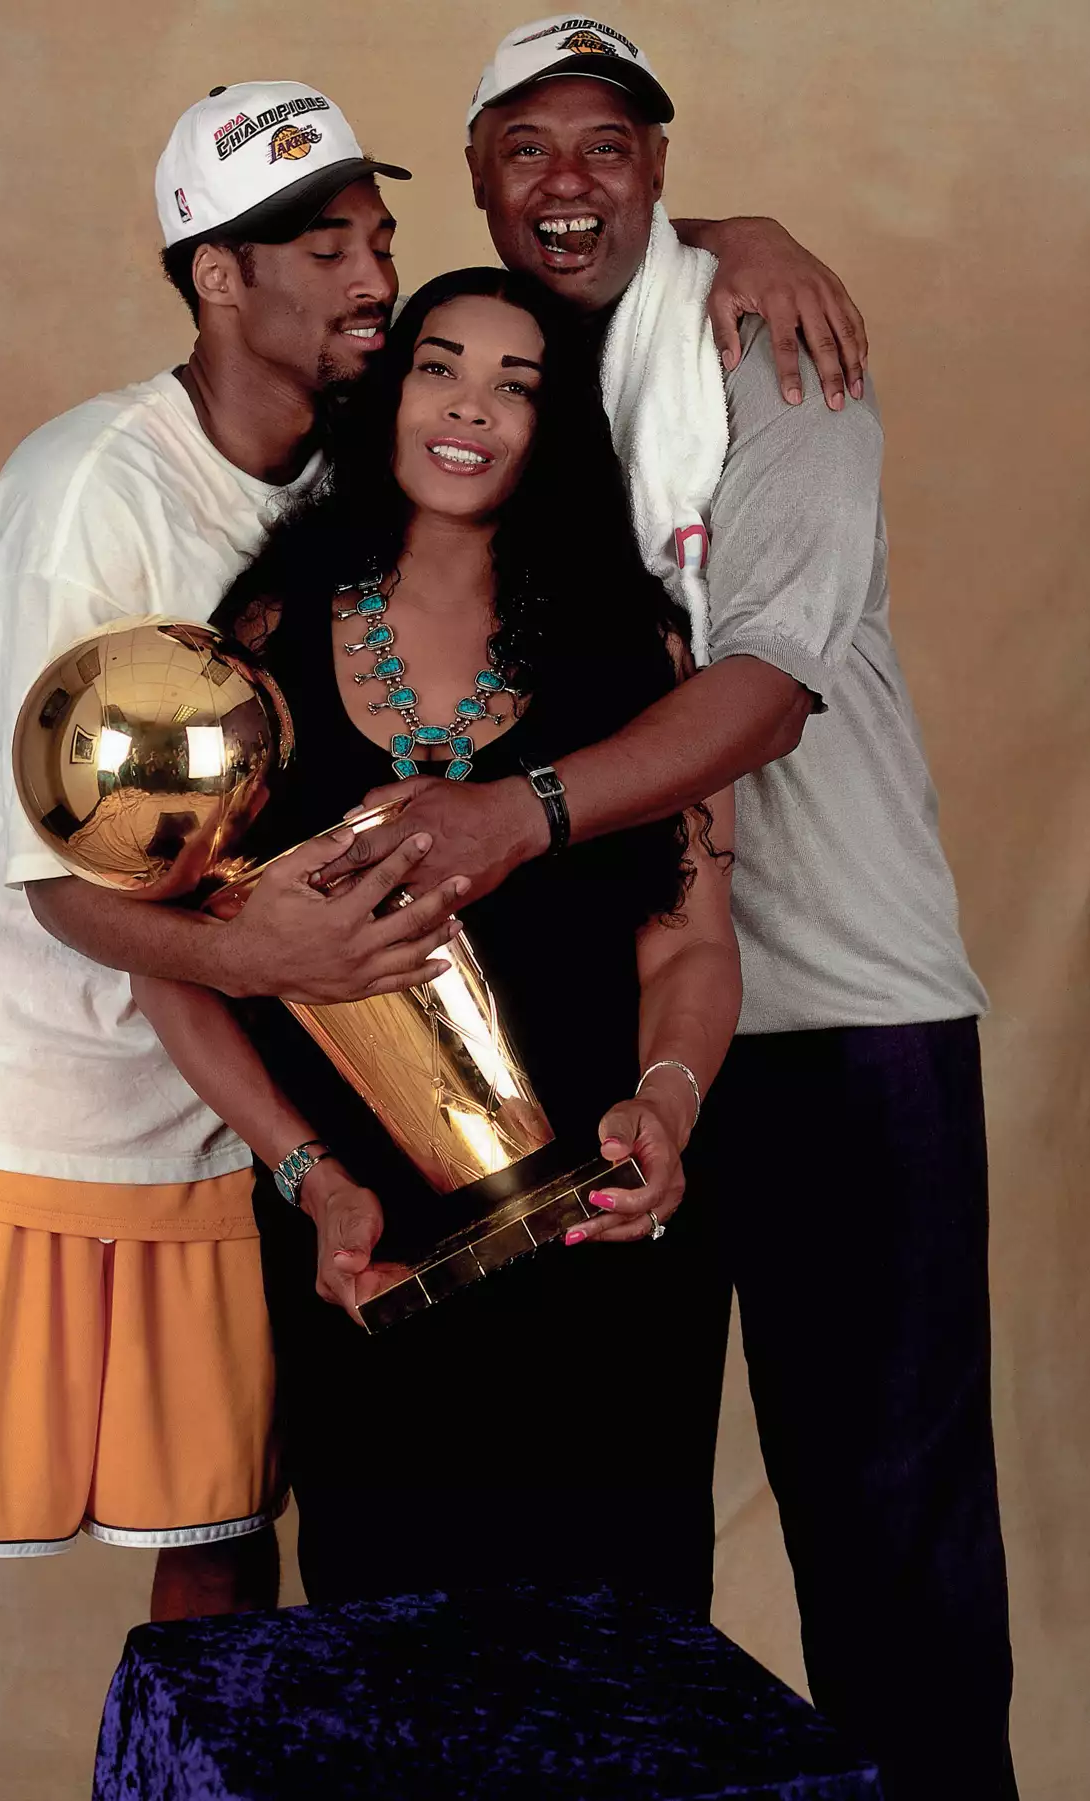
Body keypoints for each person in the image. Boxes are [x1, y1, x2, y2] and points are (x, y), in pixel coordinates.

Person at [293, 19, 1009, 1801]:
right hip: (618, 1038)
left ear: (662, 171)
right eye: (525, 146)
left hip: (845, 1017)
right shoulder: (483, 387)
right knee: (627, 1563)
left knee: (893, 1538)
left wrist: (515, 815)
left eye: (608, 145)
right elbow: (256, 532)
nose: (566, 180)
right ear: (469, 176)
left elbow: (762, 684)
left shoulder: (766, 348)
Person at [0, 84, 477, 1801]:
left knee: (217, 1516)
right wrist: (289, 967)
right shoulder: (89, 486)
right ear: (214, 280)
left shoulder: (354, 468)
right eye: (324, 246)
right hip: (10, 1079)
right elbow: (53, 876)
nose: (372, 276)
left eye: (380, 240)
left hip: (206, 1086)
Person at [130, 263, 742, 1606]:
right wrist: (311, 1180)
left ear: (558, 426)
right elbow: (167, 954)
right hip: (371, 1256)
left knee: (614, 1675)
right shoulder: (263, 638)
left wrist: (667, 1107)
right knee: (388, 1670)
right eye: (440, 366)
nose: (471, 409)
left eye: (517, 385)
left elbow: (692, 944)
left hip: (606, 1234)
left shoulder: (639, 656)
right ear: (388, 393)